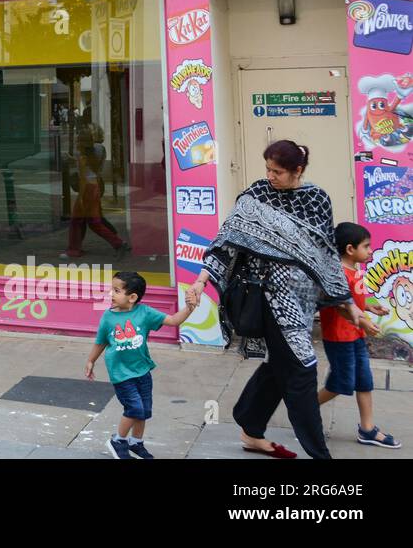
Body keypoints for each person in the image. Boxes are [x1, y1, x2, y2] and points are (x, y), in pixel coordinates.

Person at [188, 140, 356, 459]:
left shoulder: (316, 200)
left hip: (300, 302)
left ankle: (251, 427)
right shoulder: (257, 195)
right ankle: (319, 454)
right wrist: (200, 281)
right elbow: (227, 242)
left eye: (277, 171)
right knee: (302, 368)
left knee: (280, 365)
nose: (270, 176)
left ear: (298, 171)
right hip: (265, 298)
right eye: (267, 168)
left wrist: (349, 306)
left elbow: (323, 257)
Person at [86, 271, 199, 458]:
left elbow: (173, 320)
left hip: (142, 370)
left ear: (132, 297)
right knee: (134, 409)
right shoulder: (108, 317)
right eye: (111, 289)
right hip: (121, 373)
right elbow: (101, 341)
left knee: (144, 410)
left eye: (116, 290)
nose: (110, 294)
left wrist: (189, 308)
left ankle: (136, 443)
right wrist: (91, 360)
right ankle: (118, 441)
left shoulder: (145, 313)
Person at [318, 222, 401, 449]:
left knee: (364, 382)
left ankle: (367, 430)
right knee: (340, 385)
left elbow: (356, 302)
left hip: (355, 337)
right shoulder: (338, 275)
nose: (371, 250)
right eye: (366, 246)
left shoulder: (357, 269)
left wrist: (370, 308)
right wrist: (364, 323)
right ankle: (305, 411)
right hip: (339, 338)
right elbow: (341, 307)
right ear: (350, 249)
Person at [64, 124, 127, 259]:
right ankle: (118, 242)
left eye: (78, 140)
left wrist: (80, 197)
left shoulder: (83, 156)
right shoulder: (93, 153)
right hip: (94, 187)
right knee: (94, 221)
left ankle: (74, 250)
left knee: (77, 220)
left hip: (87, 189)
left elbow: (82, 179)